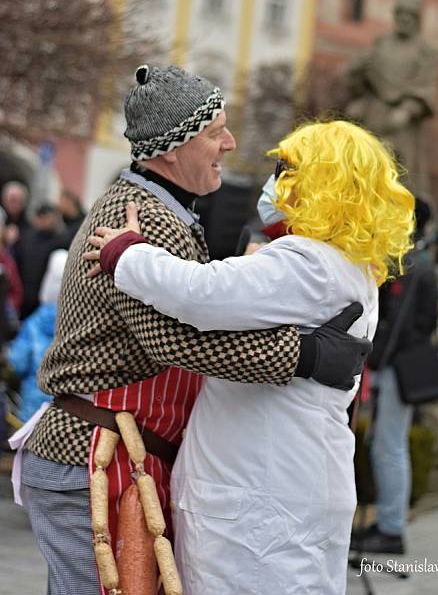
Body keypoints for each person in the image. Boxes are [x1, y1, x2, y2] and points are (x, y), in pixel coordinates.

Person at [15, 64, 366, 595]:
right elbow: (176, 339)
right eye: (213, 132)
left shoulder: (168, 212)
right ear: (172, 148)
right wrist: (303, 357)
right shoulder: (144, 216)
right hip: (89, 454)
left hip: (117, 452)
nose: (229, 143)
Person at [86, 119, 415, 595]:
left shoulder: (307, 262)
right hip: (286, 487)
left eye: (286, 168)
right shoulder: (349, 264)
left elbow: (200, 294)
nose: (274, 180)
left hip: (258, 499)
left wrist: (128, 254)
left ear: (320, 181)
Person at [353, 198, 438, 555]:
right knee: (388, 445)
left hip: (397, 367)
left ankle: (391, 528)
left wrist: (371, 361)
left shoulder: (413, 265)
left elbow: (399, 325)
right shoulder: (418, 261)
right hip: (397, 365)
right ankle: (388, 523)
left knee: (390, 447)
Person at [346, 0, 438, 195]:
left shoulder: (425, 50)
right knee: (367, 167)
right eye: (401, 13)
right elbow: (361, 79)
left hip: (403, 121)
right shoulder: (381, 43)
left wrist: (407, 110)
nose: (404, 18)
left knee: (401, 172)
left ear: (417, 19)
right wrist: (358, 74)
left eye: (410, 14)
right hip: (374, 112)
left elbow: (426, 87)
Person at [8, 249, 67, 422]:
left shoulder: (34, 323)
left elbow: (18, 362)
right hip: (67, 406)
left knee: (31, 446)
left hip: (33, 405)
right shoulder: (79, 322)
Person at [15, 203, 63, 319]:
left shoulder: (61, 241)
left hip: (43, 299)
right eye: (45, 217)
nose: (49, 221)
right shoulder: (26, 238)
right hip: (24, 296)